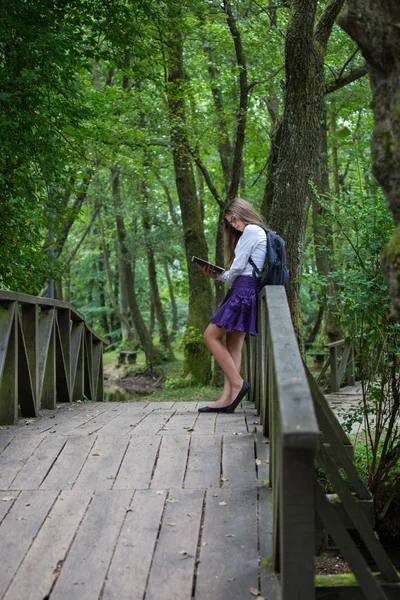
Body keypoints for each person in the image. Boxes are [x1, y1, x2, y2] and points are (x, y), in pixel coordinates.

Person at [196, 198, 268, 413]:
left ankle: (238, 385)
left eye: (234, 219)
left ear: (243, 212)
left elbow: (237, 269)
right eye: (230, 222)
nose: (234, 225)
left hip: (243, 289)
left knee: (210, 335)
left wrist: (220, 275)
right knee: (233, 344)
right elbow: (237, 272)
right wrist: (217, 276)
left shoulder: (252, 231)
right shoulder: (257, 232)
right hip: (246, 288)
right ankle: (227, 398)